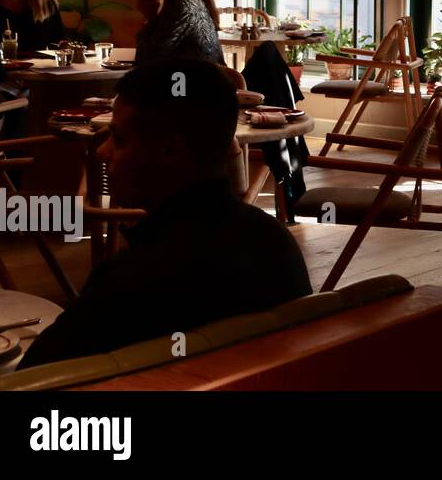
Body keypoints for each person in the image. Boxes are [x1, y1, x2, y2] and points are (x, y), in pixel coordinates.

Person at [20, 58, 311, 369]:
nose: (103, 152)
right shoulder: (275, 244)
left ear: (170, 151)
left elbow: (33, 375)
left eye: (119, 139)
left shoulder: (134, 282)